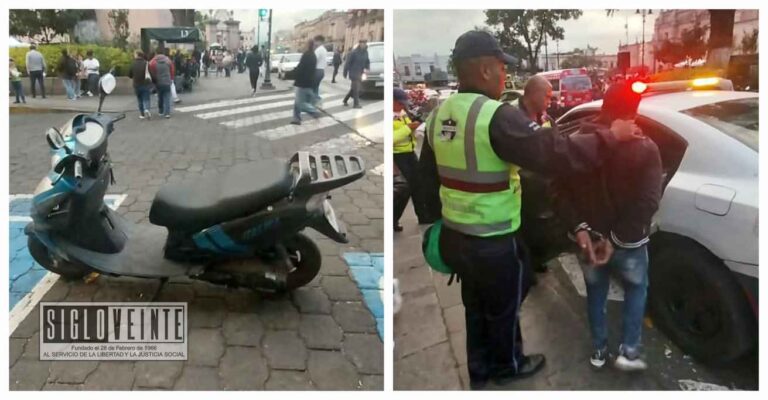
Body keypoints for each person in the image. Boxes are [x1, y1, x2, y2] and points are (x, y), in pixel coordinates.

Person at [418, 30, 642, 390]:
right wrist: (610, 136)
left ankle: (479, 371)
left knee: (475, 308)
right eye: (502, 69)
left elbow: (427, 182)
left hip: (455, 237)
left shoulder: (437, 115)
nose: (506, 76)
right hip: (492, 238)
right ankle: (507, 366)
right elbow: (556, 155)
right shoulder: (495, 115)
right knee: (504, 308)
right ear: (487, 70)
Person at [552, 82, 662, 372]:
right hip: (629, 243)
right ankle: (629, 351)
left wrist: (580, 228)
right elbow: (648, 202)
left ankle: (599, 350)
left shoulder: (577, 141)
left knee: (596, 293)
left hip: (589, 240)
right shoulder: (645, 147)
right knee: (636, 290)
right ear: (634, 112)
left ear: (604, 106)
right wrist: (614, 239)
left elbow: (558, 191)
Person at [393, 88, 431, 231]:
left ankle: (423, 215)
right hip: (397, 156)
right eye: (399, 103)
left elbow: (410, 134)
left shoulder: (402, 114)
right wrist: (409, 128)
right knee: (403, 189)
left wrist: (416, 126)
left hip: (409, 153)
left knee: (418, 185)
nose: (402, 106)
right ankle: (393, 219)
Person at [290, 40, 322, 125]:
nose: (303, 46)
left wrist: (291, 74)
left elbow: (301, 68)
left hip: (303, 82)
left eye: (304, 44)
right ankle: (296, 119)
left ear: (308, 45)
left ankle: (313, 111)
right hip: (308, 81)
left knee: (300, 103)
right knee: (298, 102)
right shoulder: (313, 55)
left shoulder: (307, 55)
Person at [343, 39, 369, 109]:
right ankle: (356, 104)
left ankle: (345, 100)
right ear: (359, 44)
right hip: (353, 73)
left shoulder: (366, 52)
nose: (364, 44)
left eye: (365, 43)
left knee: (354, 89)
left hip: (360, 73)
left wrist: (367, 68)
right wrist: (345, 72)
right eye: (362, 43)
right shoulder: (354, 52)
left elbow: (367, 61)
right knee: (356, 89)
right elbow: (348, 63)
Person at [149, 49, 175, 119]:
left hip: (158, 82)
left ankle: (161, 111)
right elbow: (172, 70)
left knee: (160, 97)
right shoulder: (168, 61)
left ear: (156, 53)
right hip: (167, 81)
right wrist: (171, 78)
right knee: (167, 97)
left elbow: (151, 72)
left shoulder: (153, 62)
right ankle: (167, 113)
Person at [128, 50, 152, 120]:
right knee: (146, 98)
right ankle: (147, 109)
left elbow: (129, 75)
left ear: (137, 55)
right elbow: (150, 73)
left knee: (139, 99)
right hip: (145, 84)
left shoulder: (133, 64)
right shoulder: (146, 63)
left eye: (134, 54)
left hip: (136, 84)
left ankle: (142, 114)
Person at [312, 35, 328, 104]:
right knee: (316, 87)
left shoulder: (318, 50)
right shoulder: (324, 49)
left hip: (317, 70)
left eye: (315, 41)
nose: (314, 43)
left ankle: (316, 100)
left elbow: (314, 60)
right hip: (321, 71)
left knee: (313, 87)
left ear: (319, 41)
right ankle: (316, 100)